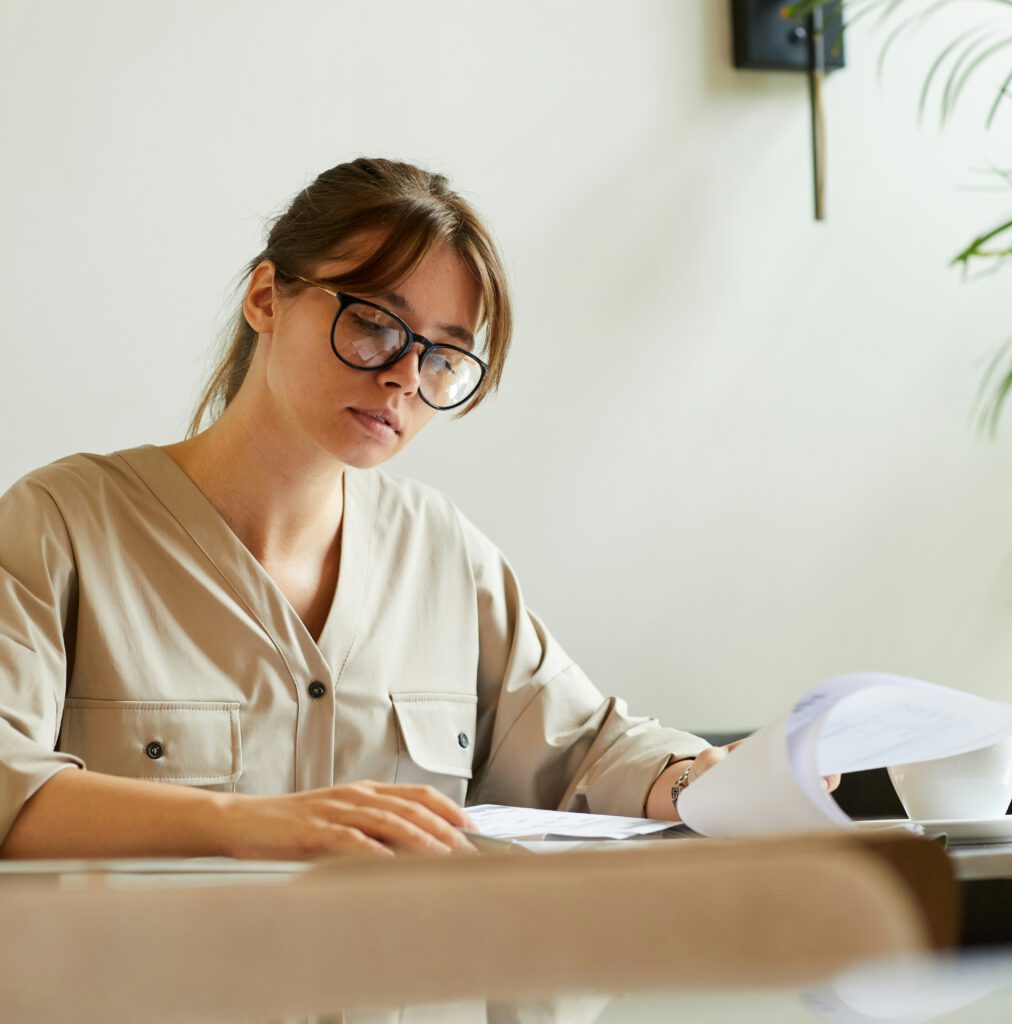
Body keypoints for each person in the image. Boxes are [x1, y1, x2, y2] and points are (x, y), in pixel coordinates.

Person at [0, 157, 729, 861]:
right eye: (376, 322)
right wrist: (245, 824)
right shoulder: (60, 527)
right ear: (266, 299)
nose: (406, 377)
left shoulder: (443, 552)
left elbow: (587, 750)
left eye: (443, 357)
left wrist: (705, 778)